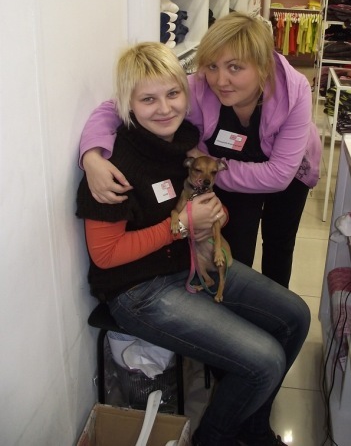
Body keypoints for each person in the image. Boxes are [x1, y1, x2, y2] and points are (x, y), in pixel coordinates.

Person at [76, 42, 311, 446]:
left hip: (189, 264)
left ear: (187, 92)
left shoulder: (183, 143)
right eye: (148, 99)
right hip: (139, 291)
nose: (165, 108)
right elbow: (106, 255)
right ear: (127, 104)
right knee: (265, 361)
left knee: (296, 315)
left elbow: (203, 203)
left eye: (173, 93)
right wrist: (181, 226)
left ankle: (251, 427)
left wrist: (214, 215)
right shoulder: (112, 166)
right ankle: (213, 439)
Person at [79, 12, 322, 287]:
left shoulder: (294, 91)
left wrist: (211, 168)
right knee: (237, 242)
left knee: (280, 242)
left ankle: (274, 302)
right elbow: (116, 106)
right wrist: (91, 156)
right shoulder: (197, 86)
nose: (220, 80)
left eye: (235, 68)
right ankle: (238, 299)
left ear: (263, 66)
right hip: (227, 168)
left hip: (289, 168)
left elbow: (279, 176)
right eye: (212, 66)